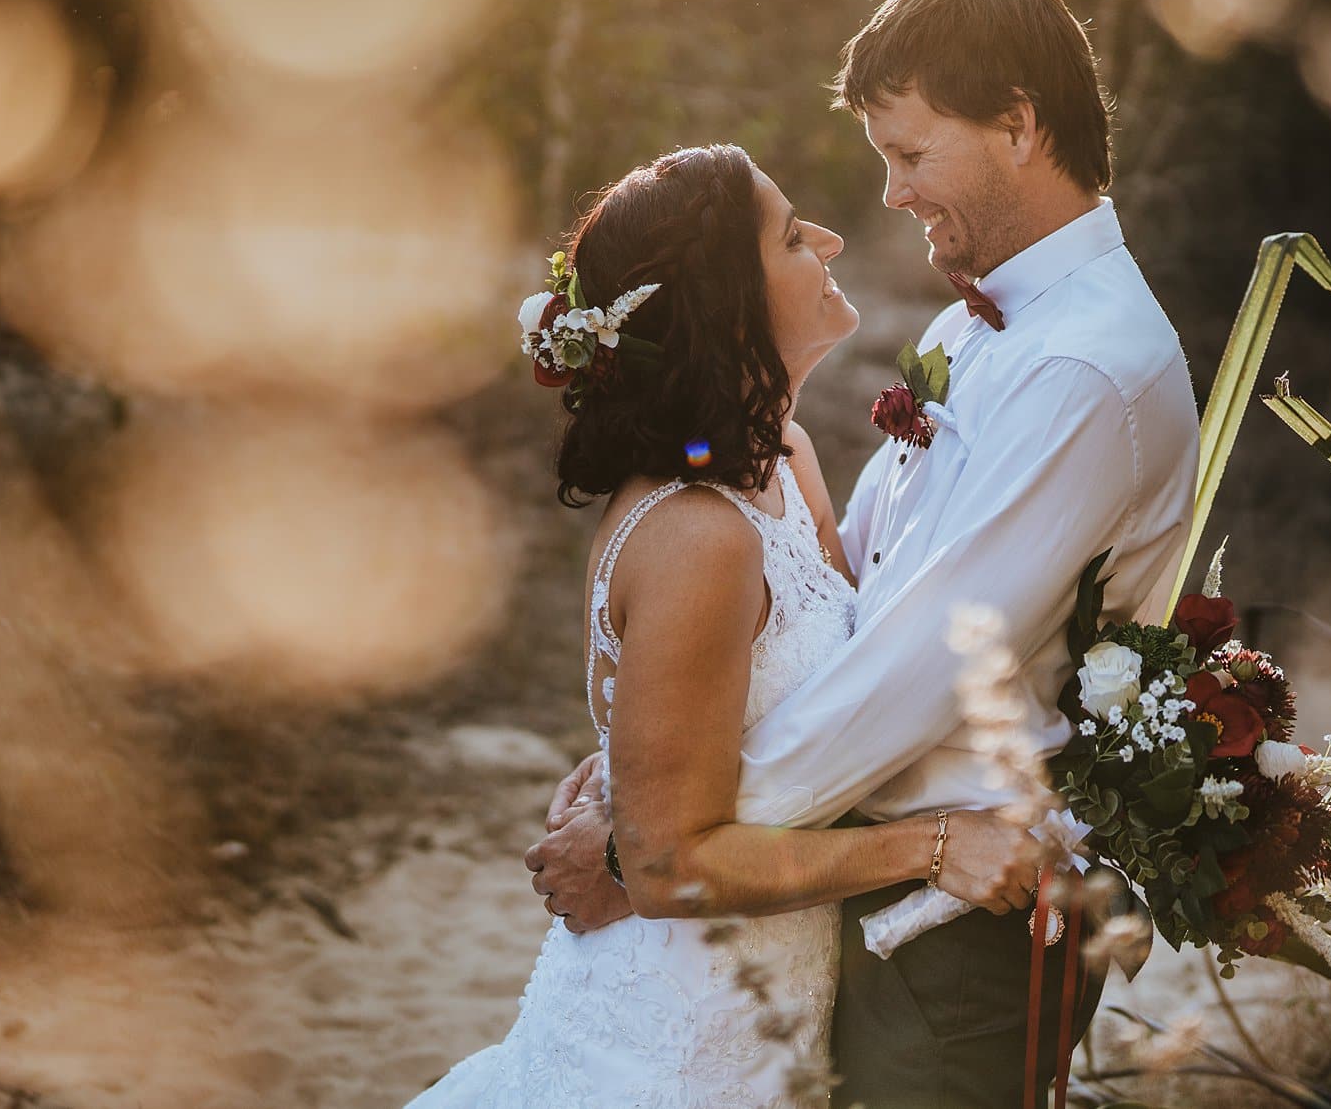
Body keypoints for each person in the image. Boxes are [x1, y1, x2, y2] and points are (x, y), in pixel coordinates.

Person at [530, 0, 1200, 1107]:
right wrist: (653, 774)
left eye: (909, 151)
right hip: (847, 892)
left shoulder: (1082, 366)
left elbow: (917, 661)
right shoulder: (974, 331)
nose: (888, 194)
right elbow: (849, 596)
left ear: (1018, 125)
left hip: (954, 922)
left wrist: (647, 847)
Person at [411, 142, 1044, 1109]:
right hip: (670, 1046)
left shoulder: (782, 458)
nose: (829, 239)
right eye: (793, 235)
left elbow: (829, 698)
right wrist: (933, 844)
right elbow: (668, 866)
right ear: (730, 308)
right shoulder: (697, 537)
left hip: (769, 1020)